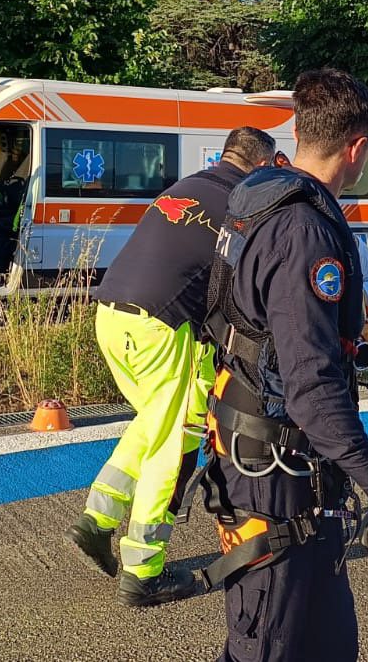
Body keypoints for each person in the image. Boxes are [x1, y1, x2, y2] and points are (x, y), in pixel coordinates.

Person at [200, 68, 368, 662]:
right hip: (276, 472)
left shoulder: (256, 194)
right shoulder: (305, 231)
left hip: (265, 449)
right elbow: (313, 394)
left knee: (327, 643)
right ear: (357, 147)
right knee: (269, 644)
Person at [65, 126, 278, 607]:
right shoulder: (239, 206)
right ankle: (143, 573)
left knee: (153, 423)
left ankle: (96, 523)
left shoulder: (186, 186)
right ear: (262, 165)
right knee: (172, 440)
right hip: (159, 327)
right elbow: (239, 289)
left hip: (111, 314)